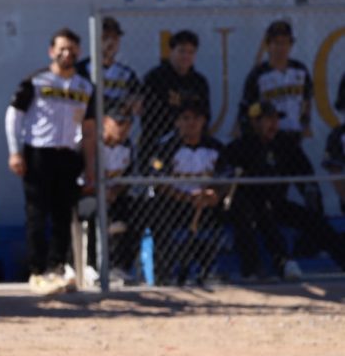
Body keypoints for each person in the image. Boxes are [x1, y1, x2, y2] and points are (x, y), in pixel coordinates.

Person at [6, 27, 96, 295]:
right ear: (51, 51)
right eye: (62, 48)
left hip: (68, 155)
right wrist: (15, 151)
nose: (67, 53)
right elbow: (14, 116)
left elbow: (89, 129)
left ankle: (56, 268)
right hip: (38, 154)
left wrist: (90, 165)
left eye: (72, 49)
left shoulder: (85, 86)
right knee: (36, 214)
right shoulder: (36, 81)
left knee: (63, 215)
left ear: (79, 52)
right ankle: (37, 272)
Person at [223, 101, 345, 280]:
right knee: (258, 215)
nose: (274, 124)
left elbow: (305, 175)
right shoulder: (238, 148)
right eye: (268, 119)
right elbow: (227, 183)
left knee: (314, 220)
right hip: (249, 209)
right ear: (254, 122)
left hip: (278, 204)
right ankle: (269, 265)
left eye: (276, 119)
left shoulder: (285, 145)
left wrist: (312, 199)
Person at [143, 98, 225, 285]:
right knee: (156, 211)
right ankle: (165, 273)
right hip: (175, 202)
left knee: (233, 209)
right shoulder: (165, 147)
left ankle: (210, 270)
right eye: (186, 118)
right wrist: (186, 197)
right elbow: (157, 180)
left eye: (196, 118)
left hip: (206, 203)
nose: (191, 123)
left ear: (204, 121)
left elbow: (227, 177)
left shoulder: (215, 147)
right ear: (177, 122)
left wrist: (215, 194)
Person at [79, 102, 137, 281]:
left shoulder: (128, 146)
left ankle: (118, 266)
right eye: (119, 123)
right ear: (104, 122)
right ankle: (90, 265)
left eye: (128, 124)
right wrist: (100, 191)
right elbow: (79, 180)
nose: (124, 128)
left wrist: (114, 191)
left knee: (133, 211)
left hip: (114, 197)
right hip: (86, 195)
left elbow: (128, 177)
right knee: (95, 209)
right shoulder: (90, 144)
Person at [140, 30, 210, 161]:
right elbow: (147, 114)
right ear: (171, 51)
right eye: (182, 51)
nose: (186, 56)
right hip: (158, 141)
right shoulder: (155, 78)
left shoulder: (199, 82)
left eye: (191, 52)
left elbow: (205, 115)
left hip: (190, 142)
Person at [238, 20, 311, 142]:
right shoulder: (258, 74)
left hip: (294, 133)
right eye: (276, 43)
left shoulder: (300, 70)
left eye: (284, 43)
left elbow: (307, 100)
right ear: (268, 45)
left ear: (291, 45)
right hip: (268, 136)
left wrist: (304, 123)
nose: (280, 48)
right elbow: (248, 108)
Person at [76, 16, 142, 114]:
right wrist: (120, 103)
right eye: (105, 37)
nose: (110, 42)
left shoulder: (127, 73)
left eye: (115, 38)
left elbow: (136, 101)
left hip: (117, 119)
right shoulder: (81, 69)